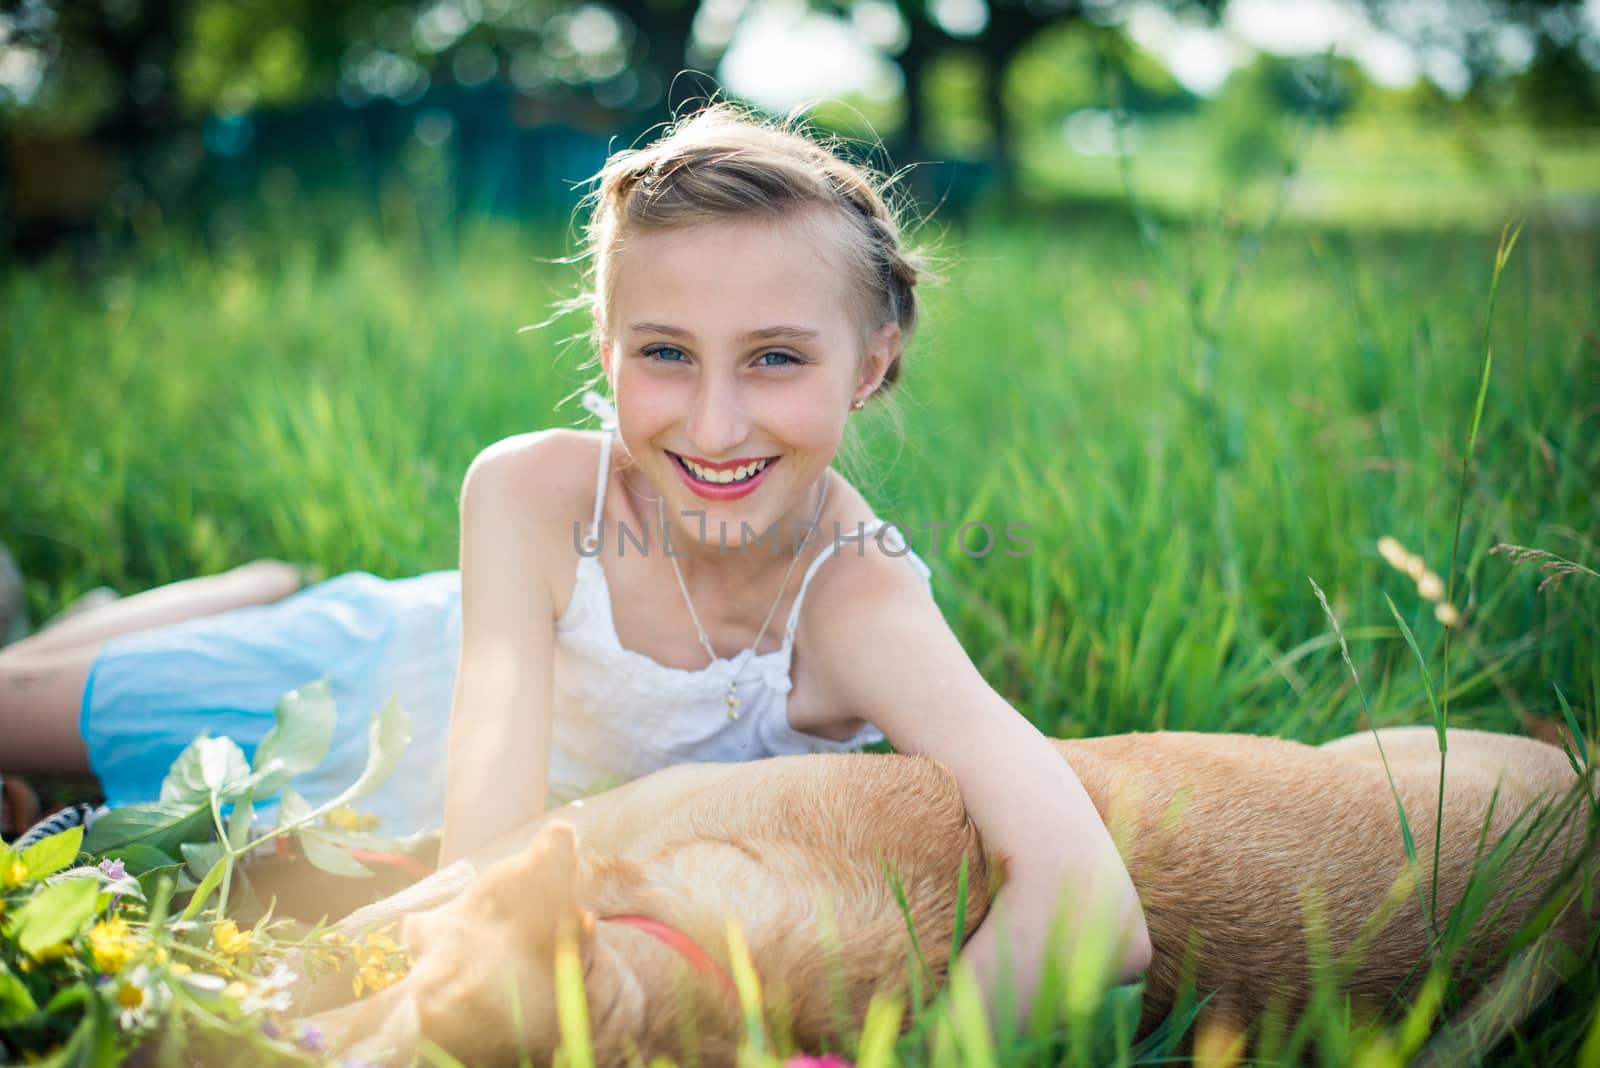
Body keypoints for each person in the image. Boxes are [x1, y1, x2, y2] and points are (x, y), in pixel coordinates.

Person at [0, 104, 1150, 1025]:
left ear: (869, 363)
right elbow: (479, 861)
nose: (711, 426)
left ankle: (182, 603)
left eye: (775, 359)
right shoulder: (531, 491)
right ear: (604, 346)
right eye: (664, 353)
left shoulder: (855, 598)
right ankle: (221, 605)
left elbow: (1093, 905)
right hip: (351, 686)